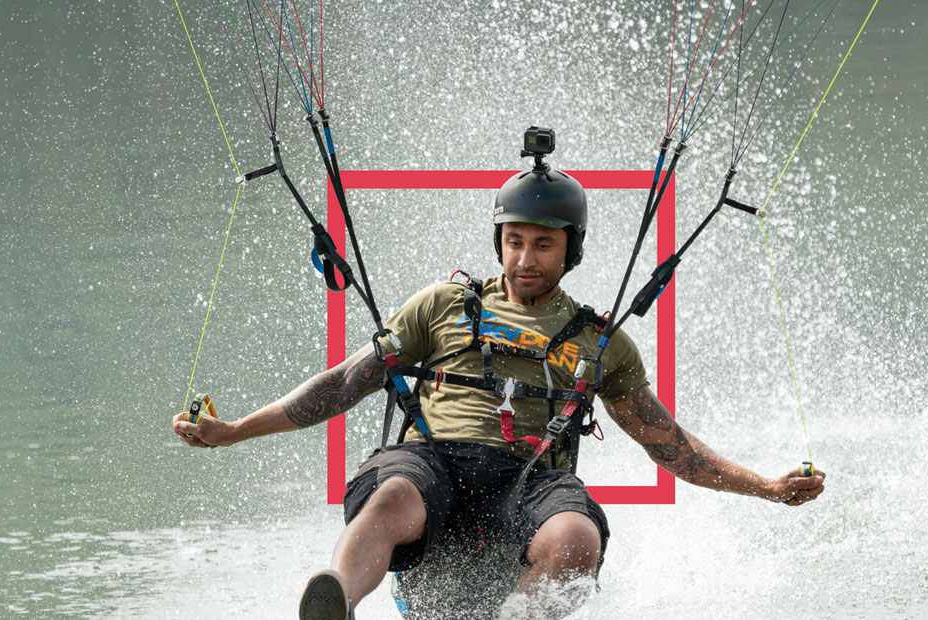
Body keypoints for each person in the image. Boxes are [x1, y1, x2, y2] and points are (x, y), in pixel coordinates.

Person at [172, 146, 827, 620]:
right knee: (393, 492)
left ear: (569, 250)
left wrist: (767, 487)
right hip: (433, 463)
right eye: (514, 242)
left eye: (542, 246)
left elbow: (670, 447)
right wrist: (234, 431)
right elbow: (346, 384)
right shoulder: (442, 307)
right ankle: (335, 602)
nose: (524, 259)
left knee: (577, 537)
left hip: (530, 478)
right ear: (498, 242)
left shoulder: (598, 344)